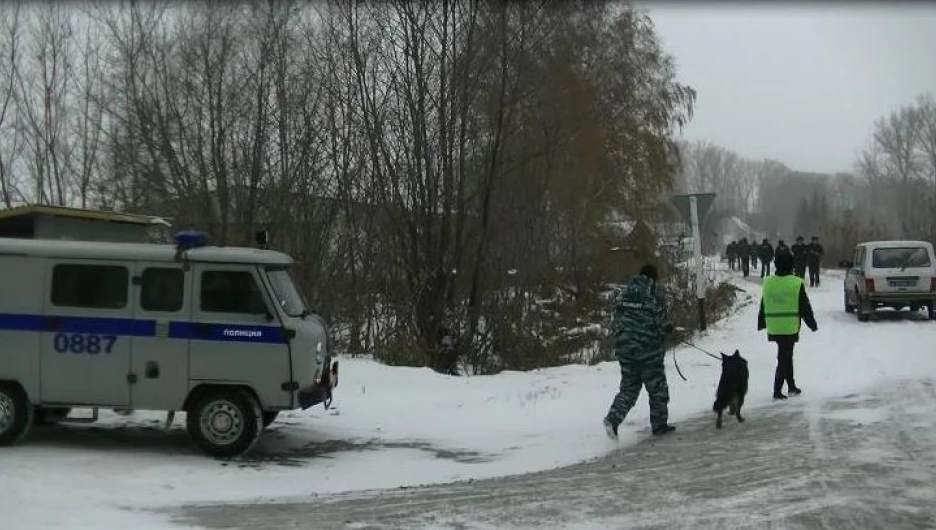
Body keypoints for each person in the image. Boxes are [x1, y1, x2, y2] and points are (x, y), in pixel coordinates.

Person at [603, 264, 676, 439]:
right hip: (648, 350)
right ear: (652, 278)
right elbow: (659, 322)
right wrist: (668, 328)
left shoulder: (624, 293)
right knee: (657, 388)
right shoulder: (652, 293)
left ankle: (612, 419)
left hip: (625, 349)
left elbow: (617, 320)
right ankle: (659, 425)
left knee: (629, 388)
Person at [758, 252, 817, 400]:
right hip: (789, 325)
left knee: (786, 355)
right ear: (791, 265)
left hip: (774, 325)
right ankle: (777, 390)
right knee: (784, 357)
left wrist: (761, 322)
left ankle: (791, 386)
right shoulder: (796, 282)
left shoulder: (768, 282)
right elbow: (804, 307)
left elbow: (763, 304)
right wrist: (812, 324)